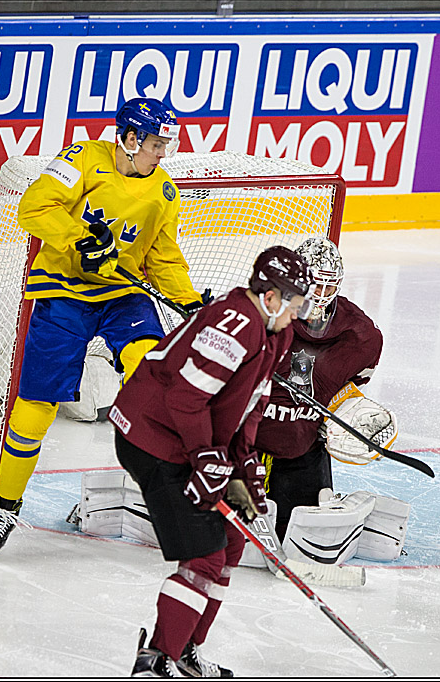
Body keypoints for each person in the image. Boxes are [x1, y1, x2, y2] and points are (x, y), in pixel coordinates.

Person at [0, 97, 206, 560]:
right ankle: (6, 506)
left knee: (151, 371)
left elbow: (162, 257)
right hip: (62, 292)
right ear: (129, 139)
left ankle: (162, 491)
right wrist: (80, 236)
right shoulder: (81, 158)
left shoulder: (164, 192)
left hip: (122, 295)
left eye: (167, 144)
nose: (163, 153)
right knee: (35, 406)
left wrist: (189, 301)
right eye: (156, 144)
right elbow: (34, 207)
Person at [110, 246, 314, 677]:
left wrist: (243, 463)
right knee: (205, 555)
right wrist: (205, 457)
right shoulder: (235, 324)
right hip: (151, 436)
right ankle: (156, 660)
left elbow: (250, 405)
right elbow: (186, 398)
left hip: (187, 438)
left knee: (233, 539)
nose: (300, 313)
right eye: (296, 303)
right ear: (271, 298)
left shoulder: (277, 333)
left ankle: (185, 649)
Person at [251, 237, 385, 543]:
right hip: (248, 436)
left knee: (302, 530)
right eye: (316, 285)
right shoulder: (263, 313)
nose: (322, 295)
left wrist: (345, 416)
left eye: (330, 286)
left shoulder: (361, 335)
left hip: (302, 441)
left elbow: (350, 389)